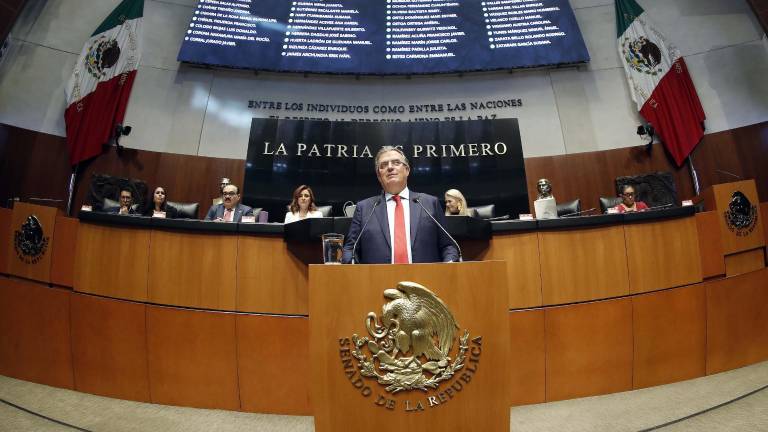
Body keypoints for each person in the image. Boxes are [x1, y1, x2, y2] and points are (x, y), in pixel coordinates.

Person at [342, 146, 459, 264]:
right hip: (376, 280)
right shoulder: (364, 208)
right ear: (379, 176)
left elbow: (448, 246)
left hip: (424, 280)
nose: (390, 167)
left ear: (407, 170)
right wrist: (355, 273)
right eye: (383, 165)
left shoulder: (429, 203)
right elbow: (350, 249)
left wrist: (448, 267)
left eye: (396, 163)